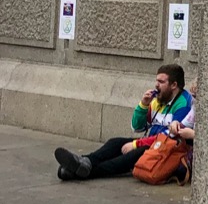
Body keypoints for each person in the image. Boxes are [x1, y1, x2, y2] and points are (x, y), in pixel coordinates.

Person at [54, 64, 194, 180]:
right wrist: (143, 105)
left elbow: (169, 135)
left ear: (174, 85)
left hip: (167, 148)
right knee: (115, 143)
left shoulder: (183, 104)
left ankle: (82, 172)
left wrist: (136, 144)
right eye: (156, 81)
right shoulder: (159, 99)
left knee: (131, 155)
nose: (156, 85)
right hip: (152, 142)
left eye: (161, 82)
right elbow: (138, 127)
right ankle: (85, 161)